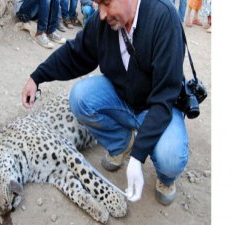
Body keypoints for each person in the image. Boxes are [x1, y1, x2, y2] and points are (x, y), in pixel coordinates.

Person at [22, 0, 188, 206]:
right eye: (98, 4)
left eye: (107, 3)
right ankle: (121, 143)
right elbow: (75, 53)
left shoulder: (164, 17)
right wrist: (37, 76)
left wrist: (137, 158)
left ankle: (166, 179)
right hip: (123, 98)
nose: (101, 14)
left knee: (170, 157)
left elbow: (165, 96)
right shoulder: (102, 23)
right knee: (80, 96)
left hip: (157, 107)